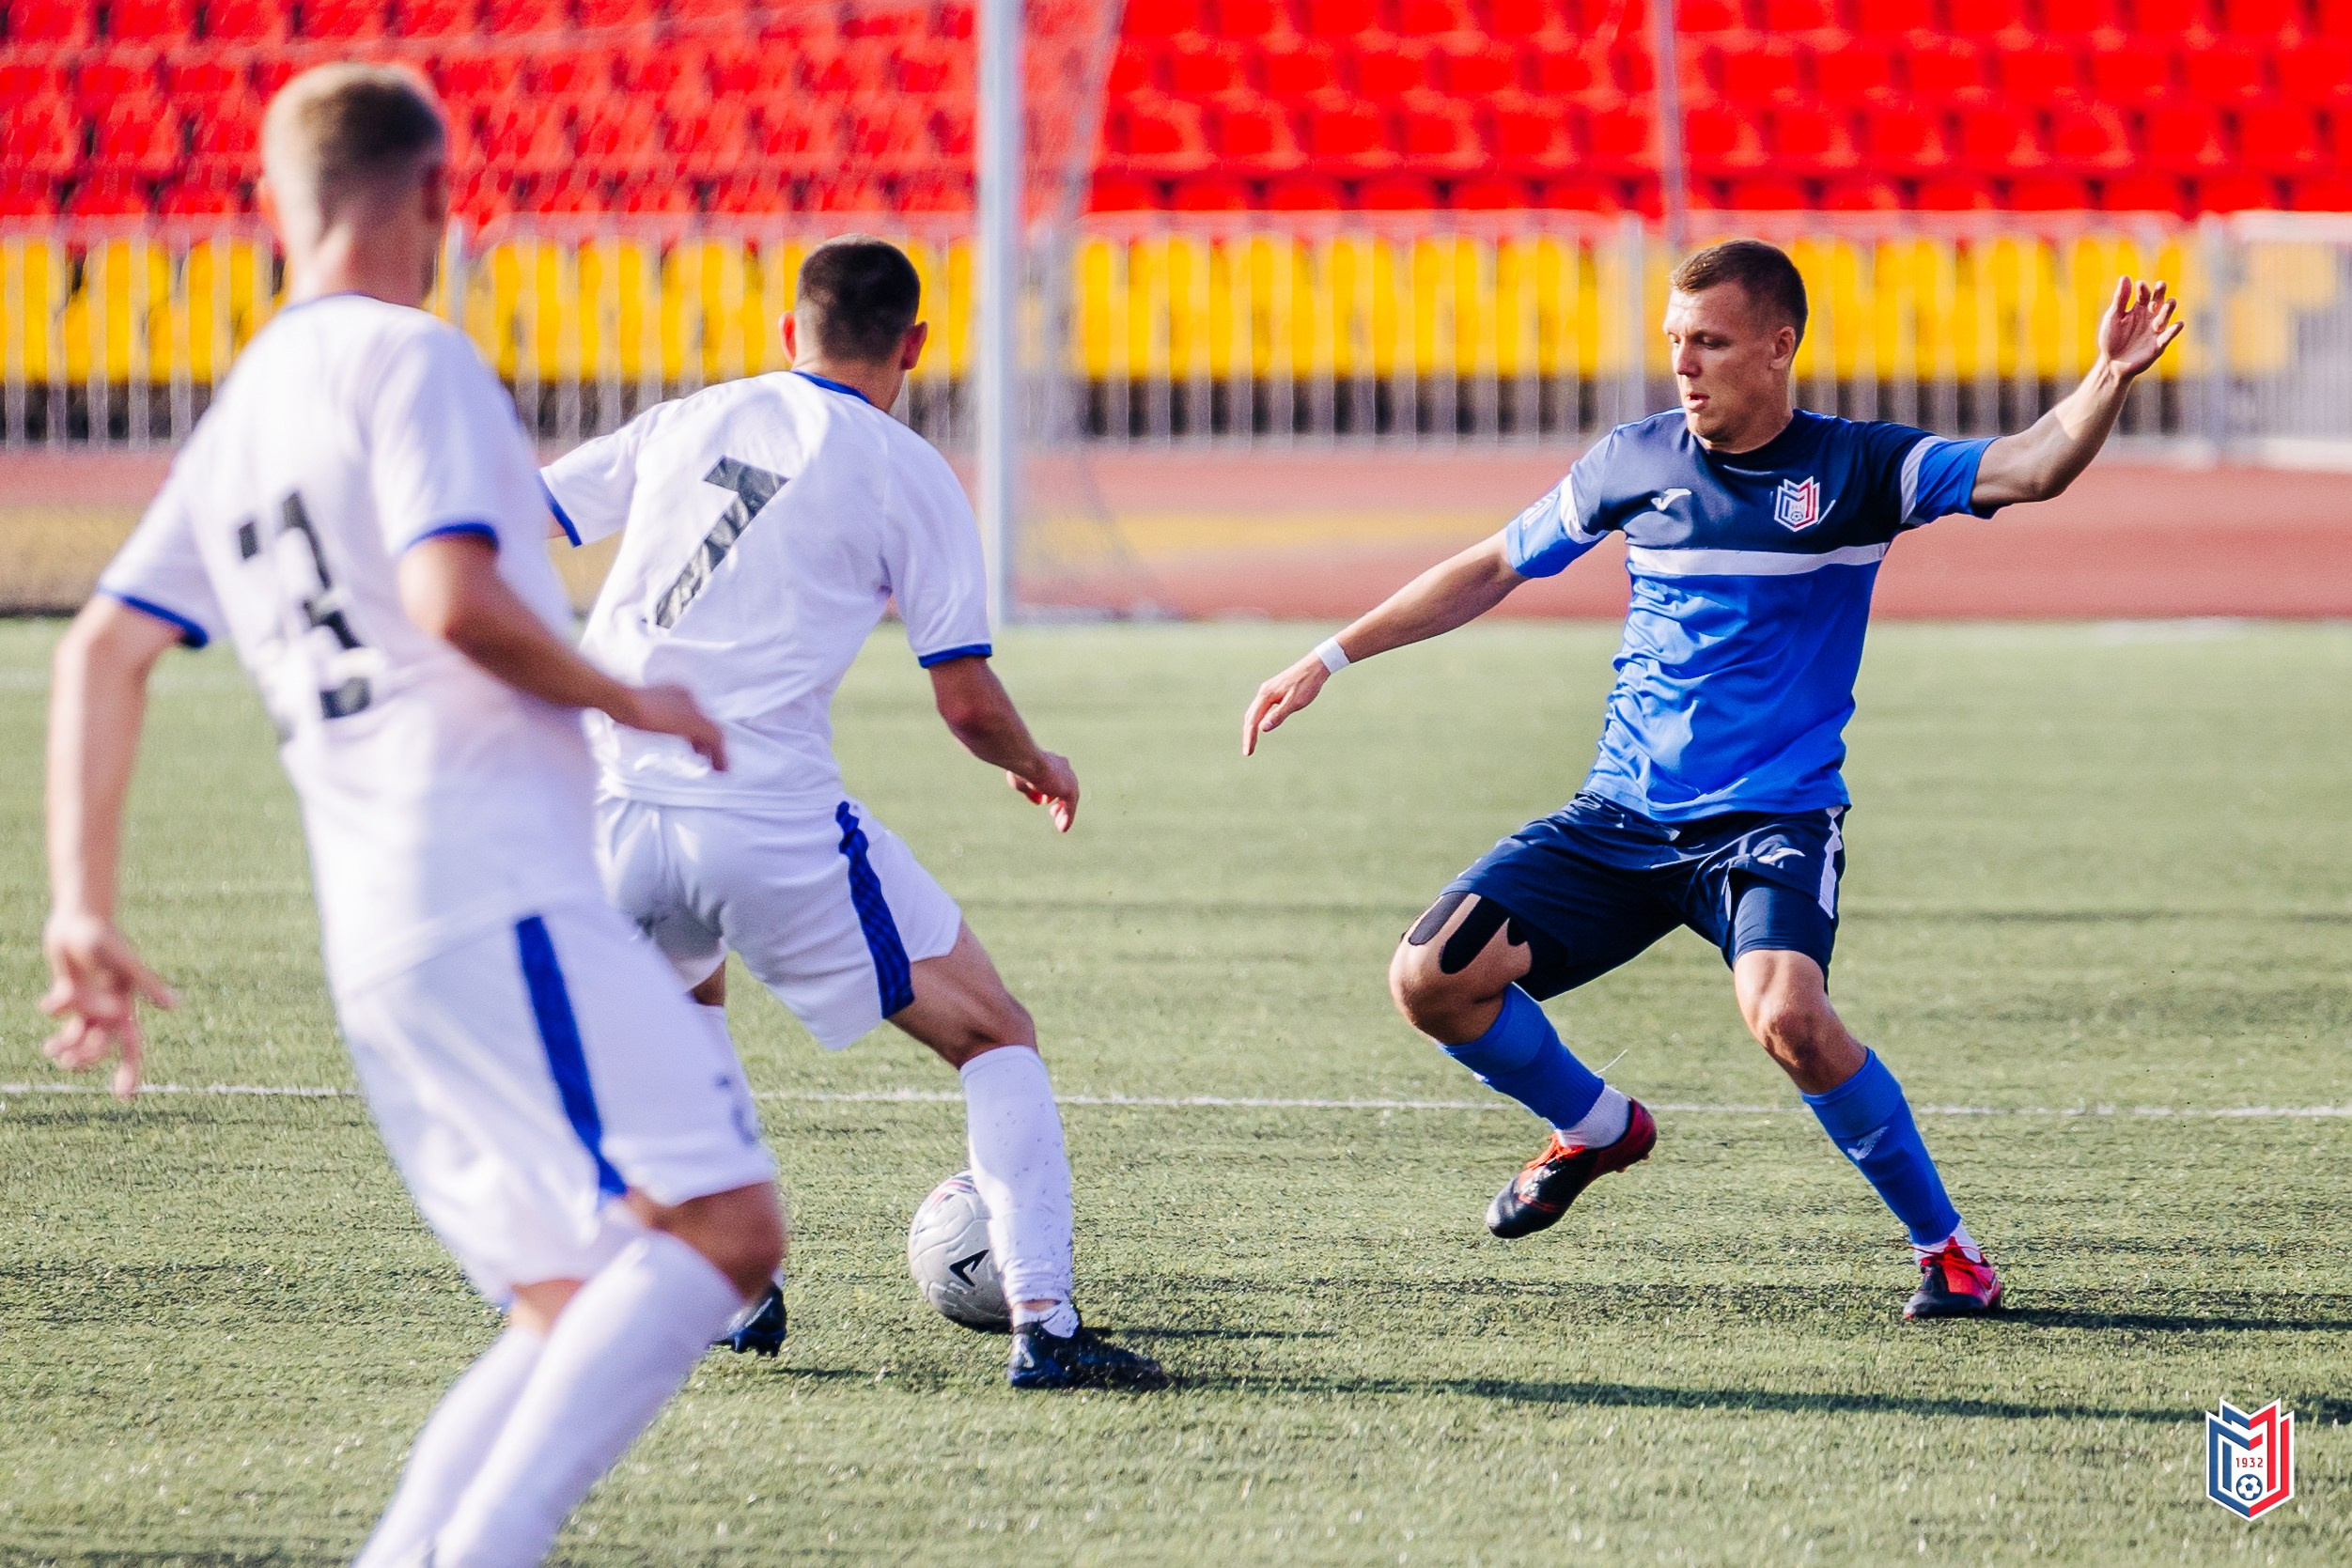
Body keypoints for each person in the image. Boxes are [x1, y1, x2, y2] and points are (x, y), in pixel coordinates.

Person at [39, 65, 788, 1566]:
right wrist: (631, 696)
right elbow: (452, 598)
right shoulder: (412, 357)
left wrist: (81, 903)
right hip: (493, 884)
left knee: (570, 1295)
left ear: (277, 205)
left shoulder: (249, 407)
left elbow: (102, 649)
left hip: (380, 928)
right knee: (725, 1228)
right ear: (440, 194)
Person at [1242, 240, 2184, 1320]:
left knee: (1788, 1017)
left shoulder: (1857, 467)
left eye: (1711, 342)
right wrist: (1329, 657)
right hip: (1618, 817)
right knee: (1430, 977)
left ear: (1778, 347)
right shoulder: (1632, 460)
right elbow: (1494, 564)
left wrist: (2105, 377)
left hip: (1769, 822)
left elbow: (2029, 467)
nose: (1684, 365)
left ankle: (1948, 1250)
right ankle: (1597, 1128)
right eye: (1675, 342)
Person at [538, 236, 1161, 1390]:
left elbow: (519, 516)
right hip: (762, 813)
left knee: (687, 996)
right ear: (914, 346)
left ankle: (732, 1285)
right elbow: (966, 702)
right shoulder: (906, 470)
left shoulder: (687, 418)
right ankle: (1045, 1321)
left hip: (603, 802)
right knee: (994, 1033)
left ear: (791, 331)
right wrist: (1037, 762)